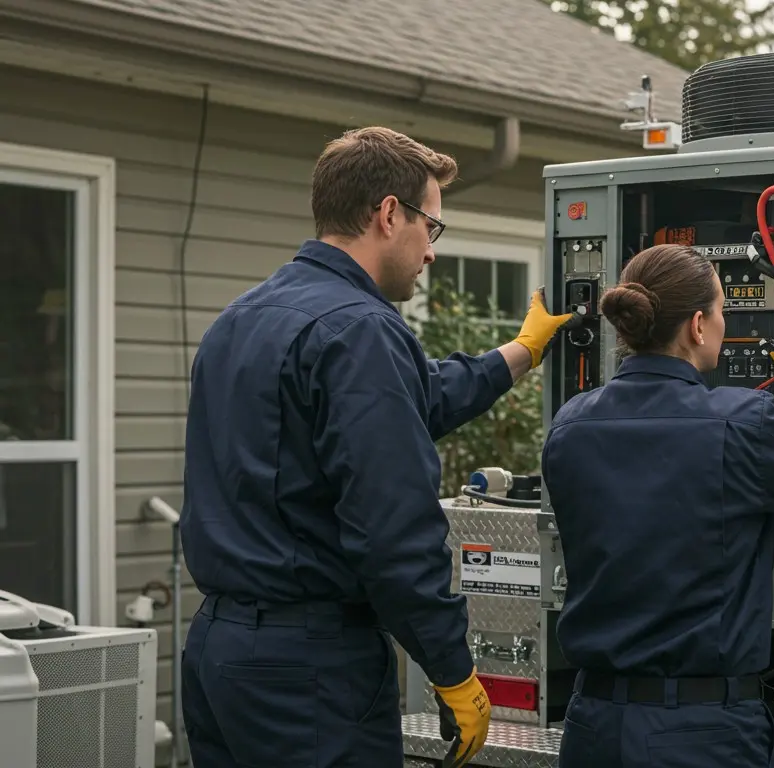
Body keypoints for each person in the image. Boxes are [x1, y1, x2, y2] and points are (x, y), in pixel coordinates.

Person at [178, 126, 574, 768]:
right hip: (309, 668)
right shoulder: (360, 330)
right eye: (432, 227)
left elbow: (412, 400)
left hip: (220, 654)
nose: (432, 252)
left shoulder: (242, 318)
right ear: (389, 213)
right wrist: (450, 667)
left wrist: (518, 354)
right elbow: (391, 528)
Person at [539, 243, 774, 768]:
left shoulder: (570, 426)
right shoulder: (737, 426)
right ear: (697, 326)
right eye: (723, 311)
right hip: (698, 733)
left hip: (592, 725)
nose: (726, 324)